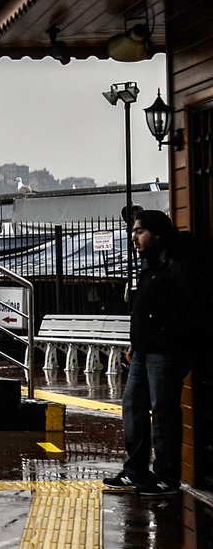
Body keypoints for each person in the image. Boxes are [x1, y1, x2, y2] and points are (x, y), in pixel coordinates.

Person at [104, 210, 203, 497]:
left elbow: (190, 308)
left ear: (157, 234)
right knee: (133, 407)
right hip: (144, 350)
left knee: (163, 412)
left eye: (140, 231)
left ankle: (166, 477)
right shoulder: (148, 266)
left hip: (166, 351)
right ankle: (136, 470)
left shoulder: (175, 265)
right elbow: (143, 309)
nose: (134, 237)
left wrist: (179, 344)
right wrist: (135, 342)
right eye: (134, 231)